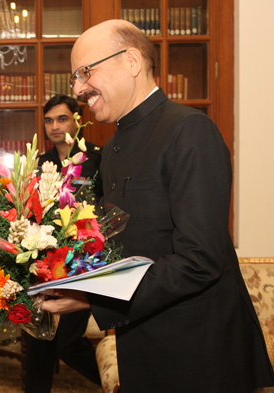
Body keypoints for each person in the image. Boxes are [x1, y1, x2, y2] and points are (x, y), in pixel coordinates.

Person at [41, 19, 274, 393]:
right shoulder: (114, 150)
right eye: (74, 79)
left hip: (200, 356)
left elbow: (200, 260)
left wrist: (93, 295)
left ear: (131, 61)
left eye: (85, 72)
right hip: (143, 343)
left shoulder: (189, 130)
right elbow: (125, 245)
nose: (79, 89)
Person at [24, 94, 102, 392]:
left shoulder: (97, 158)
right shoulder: (40, 163)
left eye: (62, 118)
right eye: (48, 120)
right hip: (45, 260)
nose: (55, 126)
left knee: (68, 341)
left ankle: (117, 383)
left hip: (85, 263)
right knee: (39, 338)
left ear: (77, 120)